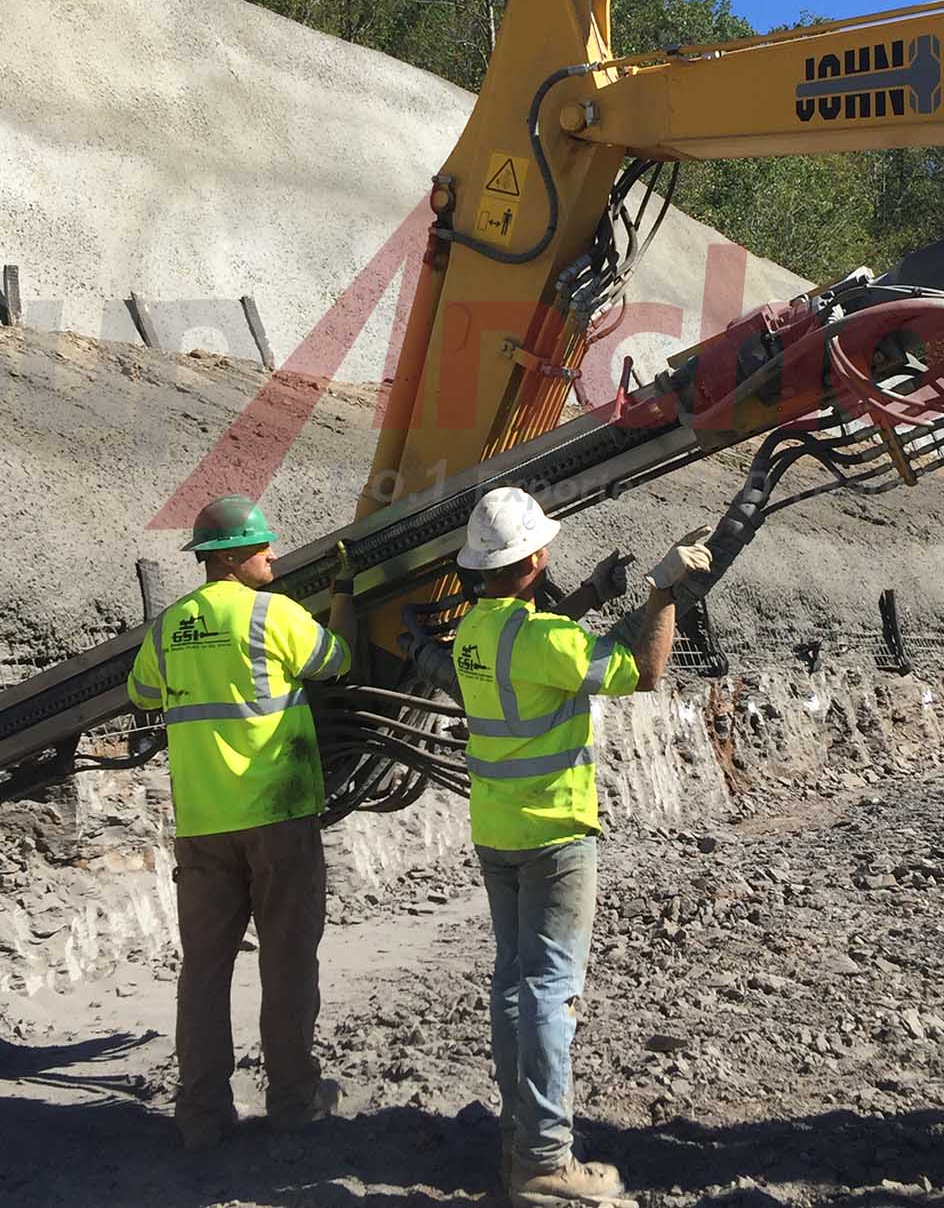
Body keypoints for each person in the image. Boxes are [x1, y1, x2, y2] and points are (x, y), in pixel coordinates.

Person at [401, 486, 710, 1208]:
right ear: (538, 557)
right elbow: (641, 669)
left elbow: (536, 649)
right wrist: (664, 592)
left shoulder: (476, 634)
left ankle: (519, 1145)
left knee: (513, 984)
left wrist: (602, 596)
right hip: (556, 837)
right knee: (549, 990)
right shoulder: (545, 641)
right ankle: (543, 1161)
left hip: (497, 833)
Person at [126, 494, 355, 1151]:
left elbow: (142, 692)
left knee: (204, 969)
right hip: (277, 819)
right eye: (261, 547)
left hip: (202, 825)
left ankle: (200, 1114)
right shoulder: (273, 616)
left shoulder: (171, 626)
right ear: (228, 556)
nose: (273, 556)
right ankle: (293, 1100)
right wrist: (343, 590)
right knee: (286, 961)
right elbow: (338, 658)